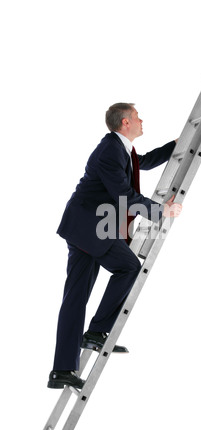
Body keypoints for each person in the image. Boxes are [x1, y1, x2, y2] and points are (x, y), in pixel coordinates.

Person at [48, 103, 182, 390]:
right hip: (90, 227)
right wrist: (161, 211)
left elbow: (140, 163)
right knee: (130, 267)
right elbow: (124, 194)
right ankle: (96, 332)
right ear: (125, 122)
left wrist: (174, 146)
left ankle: (61, 371)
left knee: (75, 298)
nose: (141, 120)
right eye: (137, 117)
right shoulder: (111, 149)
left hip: (87, 226)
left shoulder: (120, 147)